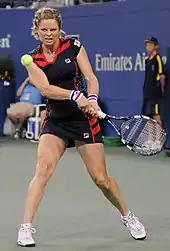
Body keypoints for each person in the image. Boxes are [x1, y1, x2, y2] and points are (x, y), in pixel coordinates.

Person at [17, 7, 146, 247]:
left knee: (101, 179)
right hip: (56, 121)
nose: (48, 34)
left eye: (53, 29)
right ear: (36, 31)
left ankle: (128, 216)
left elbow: (91, 78)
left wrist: (93, 99)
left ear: (59, 29)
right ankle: (25, 227)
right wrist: (75, 96)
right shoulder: (32, 60)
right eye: (43, 30)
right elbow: (45, 89)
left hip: (83, 120)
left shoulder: (74, 47)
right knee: (43, 170)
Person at [142, 37, 165, 123]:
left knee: (156, 116)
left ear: (156, 46)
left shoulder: (158, 58)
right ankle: (151, 137)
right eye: (147, 45)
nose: (148, 47)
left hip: (155, 94)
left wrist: (161, 91)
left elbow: (161, 75)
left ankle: (160, 136)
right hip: (147, 93)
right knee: (148, 118)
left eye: (151, 45)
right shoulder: (147, 60)